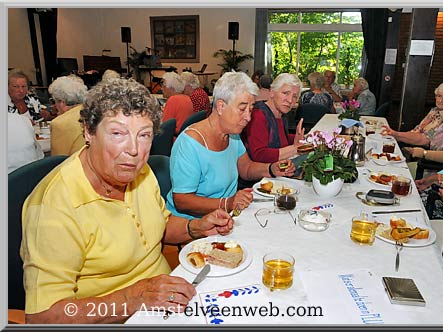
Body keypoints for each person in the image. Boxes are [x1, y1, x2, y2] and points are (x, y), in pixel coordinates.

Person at [21, 77, 233, 324]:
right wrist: (134, 298)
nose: (134, 150)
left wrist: (194, 227)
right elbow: (43, 317)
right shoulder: (55, 206)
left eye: (144, 135)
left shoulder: (138, 172)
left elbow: (159, 224)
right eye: (118, 133)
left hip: (166, 299)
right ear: (88, 132)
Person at [166, 72, 296, 220]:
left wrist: (271, 169)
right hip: (193, 225)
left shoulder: (232, 134)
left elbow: (246, 168)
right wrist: (227, 203)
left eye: (251, 109)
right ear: (221, 106)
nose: (248, 117)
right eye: (242, 109)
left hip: (226, 215)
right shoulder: (190, 143)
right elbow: (182, 200)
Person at [242, 73, 305, 163]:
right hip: (262, 175)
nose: (290, 100)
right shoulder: (258, 115)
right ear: (272, 92)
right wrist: (295, 148)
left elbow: (281, 139)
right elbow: (259, 155)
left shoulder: (281, 114)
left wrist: (307, 138)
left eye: (294, 96)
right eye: (285, 93)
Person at [48, 75, 89, 155]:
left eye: (54, 101)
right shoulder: (92, 111)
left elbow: (59, 159)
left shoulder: (59, 123)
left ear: (62, 102)